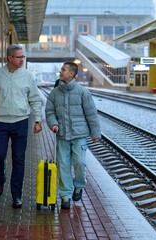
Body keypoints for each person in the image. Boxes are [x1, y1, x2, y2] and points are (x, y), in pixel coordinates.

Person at [0, 44, 42, 208]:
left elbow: (35, 99)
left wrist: (38, 120)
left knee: (18, 160)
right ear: (9, 58)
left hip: (20, 121)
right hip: (1, 122)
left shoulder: (27, 76)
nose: (21, 60)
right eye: (19, 57)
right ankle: (0, 180)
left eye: (23, 57)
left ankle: (16, 195)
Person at [45, 62, 101, 209]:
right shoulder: (55, 93)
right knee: (63, 165)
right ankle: (65, 195)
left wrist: (95, 134)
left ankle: (79, 185)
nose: (60, 71)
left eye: (63, 69)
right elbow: (49, 112)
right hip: (62, 135)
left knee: (80, 163)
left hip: (79, 135)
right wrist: (53, 124)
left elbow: (91, 114)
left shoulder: (83, 92)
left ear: (71, 74)